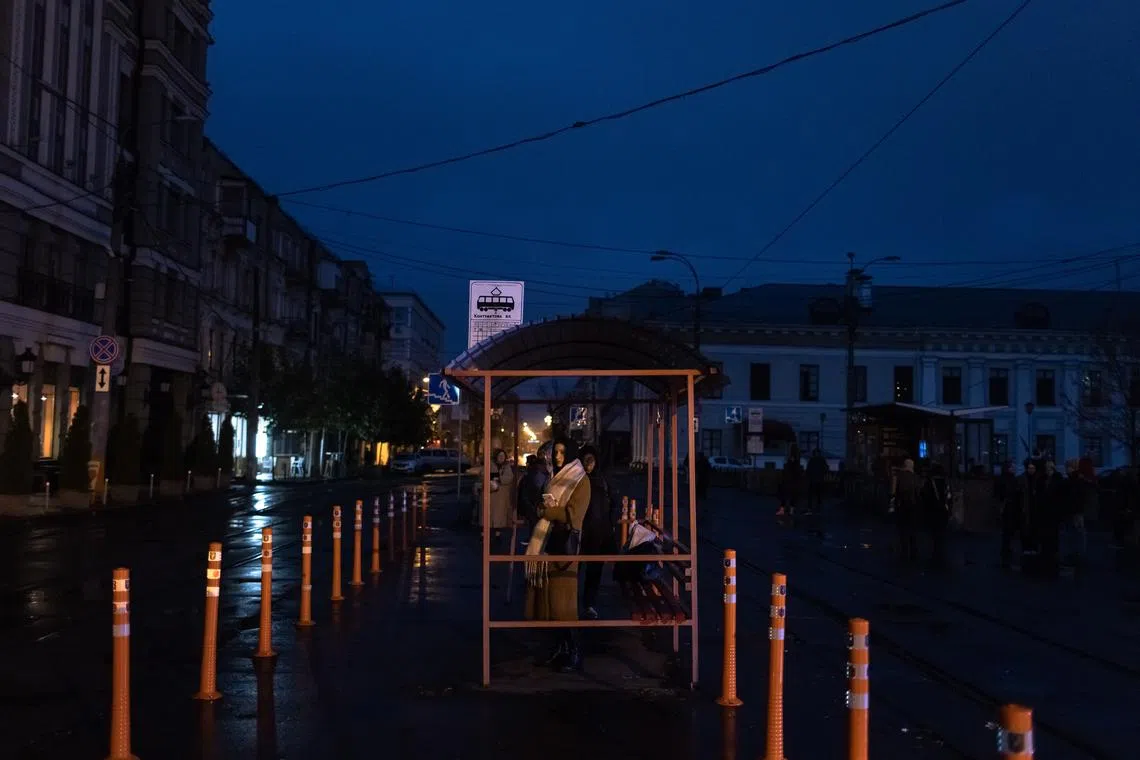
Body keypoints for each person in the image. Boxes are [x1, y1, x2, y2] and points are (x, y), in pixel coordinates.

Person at [524, 440, 591, 672]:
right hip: (549, 544)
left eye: (563, 452)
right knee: (552, 604)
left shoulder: (581, 480)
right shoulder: (556, 477)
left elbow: (575, 515)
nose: (558, 456)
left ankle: (574, 652)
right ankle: (558, 649)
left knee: (565, 606)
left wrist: (547, 511)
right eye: (556, 452)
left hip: (566, 548)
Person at [578, 445, 618, 620]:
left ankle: (589, 604)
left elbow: (613, 504)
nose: (589, 464)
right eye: (586, 460)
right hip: (581, 533)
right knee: (575, 569)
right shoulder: (577, 479)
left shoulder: (603, 479)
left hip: (599, 534)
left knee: (594, 572)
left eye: (591, 460)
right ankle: (572, 603)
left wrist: (610, 525)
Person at [891, 458, 921, 562]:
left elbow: (893, 493)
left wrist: (892, 508)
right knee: (913, 529)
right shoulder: (916, 477)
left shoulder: (898, 477)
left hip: (902, 506)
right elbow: (918, 493)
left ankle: (904, 551)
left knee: (903, 529)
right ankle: (914, 551)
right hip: (913, 506)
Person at [922, 462, 951, 567]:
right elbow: (949, 497)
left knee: (934, 533)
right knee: (941, 533)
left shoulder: (929, 483)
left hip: (932, 511)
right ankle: (941, 553)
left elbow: (925, 497)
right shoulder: (945, 483)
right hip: (943, 511)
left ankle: (934, 554)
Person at [487, 449, 515, 547]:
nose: (501, 458)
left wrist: (500, 479)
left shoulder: (507, 466)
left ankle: (498, 534)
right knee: (491, 515)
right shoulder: (490, 465)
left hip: (502, 496)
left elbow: (510, 477)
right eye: (500, 456)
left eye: (503, 456)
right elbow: (483, 475)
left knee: (499, 516)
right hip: (492, 494)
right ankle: (488, 534)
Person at [516, 454, 547, 530]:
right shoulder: (535, 471)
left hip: (532, 501)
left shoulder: (534, 472)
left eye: (527, 462)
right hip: (532, 501)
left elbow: (535, 487)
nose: (526, 463)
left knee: (533, 521)